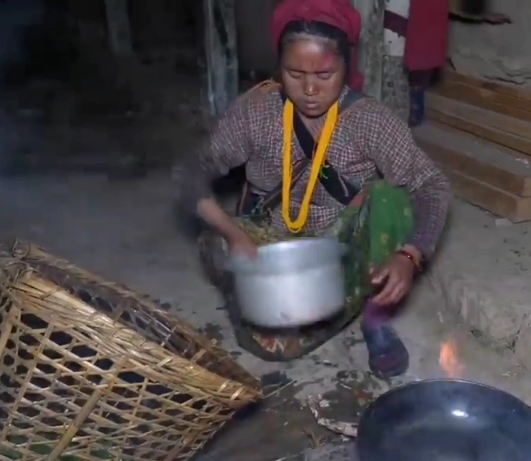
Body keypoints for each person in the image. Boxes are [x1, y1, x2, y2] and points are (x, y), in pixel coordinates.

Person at [175, 0, 451, 379]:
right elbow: (190, 172)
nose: (308, 90)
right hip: (276, 246)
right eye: (294, 72)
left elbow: (432, 185)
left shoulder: (370, 121)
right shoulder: (257, 111)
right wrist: (233, 232)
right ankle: (291, 303)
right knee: (266, 342)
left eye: (324, 74)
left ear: (346, 67)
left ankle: (376, 317)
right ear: (279, 67)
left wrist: (410, 254)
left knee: (390, 198)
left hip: (346, 251)